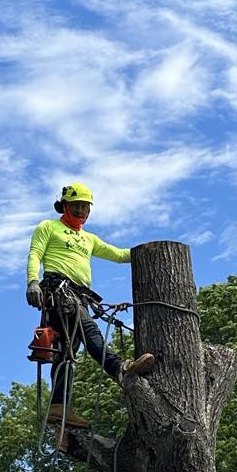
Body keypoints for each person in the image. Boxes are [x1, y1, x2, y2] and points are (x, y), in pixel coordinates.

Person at [25, 181, 153, 435]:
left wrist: (146, 252)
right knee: (90, 331)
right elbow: (35, 254)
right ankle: (119, 368)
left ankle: (58, 406)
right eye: (76, 205)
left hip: (80, 296)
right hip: (59, 291)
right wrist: (32, 282)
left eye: (85, 206)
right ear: (65, 206)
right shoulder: (49, 227)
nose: (81, 210)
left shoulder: (89, 239)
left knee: (66, 355)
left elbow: (118, 254)